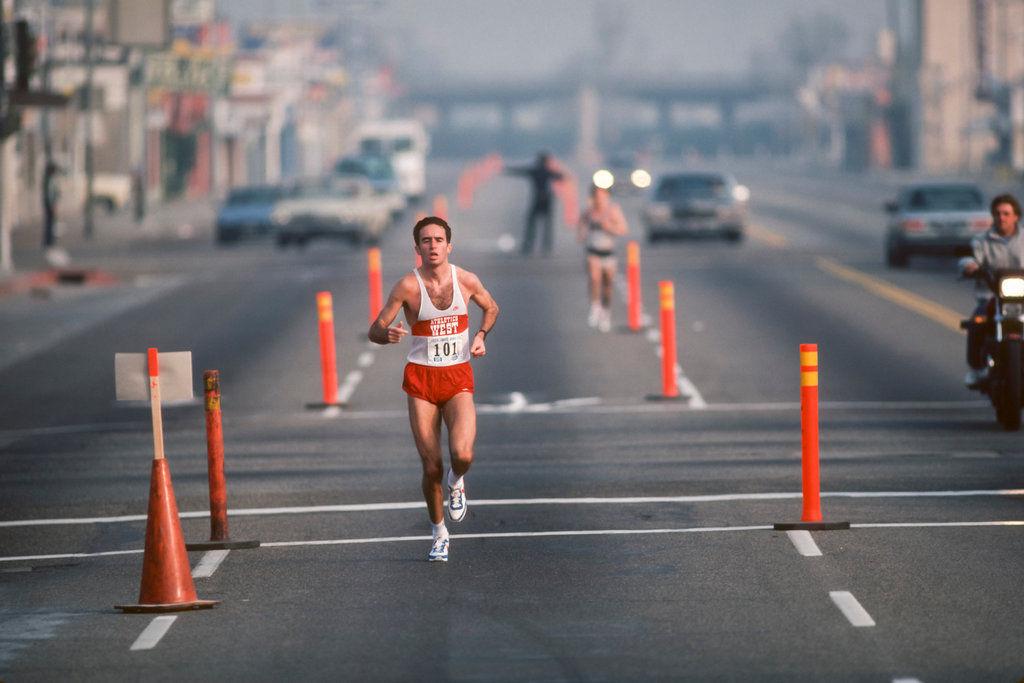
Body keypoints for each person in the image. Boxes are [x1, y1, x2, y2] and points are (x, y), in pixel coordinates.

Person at [368, 216, 499, 562]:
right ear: (417, 248)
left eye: (438, 240)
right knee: (430, 467)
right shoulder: (407, 287)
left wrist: (482, 336)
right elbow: (375, 328)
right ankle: (439, 533)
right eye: (426, 241)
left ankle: (457, 482)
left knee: (463, 455)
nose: (433, 246)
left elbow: (491, 307)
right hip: (422, 380)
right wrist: (388, 334)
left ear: (448, 246)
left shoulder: (466, 280)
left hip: (457, 377)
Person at [959, 193, 1024, 387]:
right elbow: (968, 257)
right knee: (977, 321)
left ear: (1016, 216)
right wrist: (969, 266)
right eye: (997, 213)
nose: (1001, 217)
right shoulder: (981, 241)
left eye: (1006, 213)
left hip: (1022, 299)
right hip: (991, 297)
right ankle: (977, 368)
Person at [577, 183, 628, 332]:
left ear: (608, 196)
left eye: (602, 196)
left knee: (607, 284)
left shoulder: (613, 210)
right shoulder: (588, 212)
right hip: (593, 250)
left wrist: (610, 228)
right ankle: (595, 306)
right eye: (596, 196)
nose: (599, 200)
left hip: (608, 252)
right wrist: (581, 234)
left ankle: (606, 312)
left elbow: (623, 229)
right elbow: (581, 226)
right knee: (594, 277)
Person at [505, 151, 564, 254]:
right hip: (546, 199)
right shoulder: (547, 171)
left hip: (538, 199)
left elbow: (521, 171)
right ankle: (546, 246)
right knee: (546, 225)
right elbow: (560, 176)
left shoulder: (536, 170)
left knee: (532, 224)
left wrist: (506, 169)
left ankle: (528, 246)